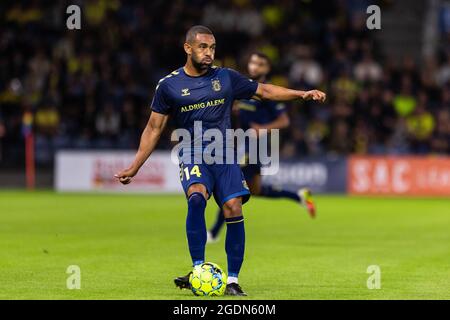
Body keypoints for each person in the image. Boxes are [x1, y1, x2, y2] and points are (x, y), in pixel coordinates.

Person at [114, 25, 326, 296]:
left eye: (212, 47)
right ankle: (199, 269)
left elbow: (265, 91)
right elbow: (154, 128)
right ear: (188, 48)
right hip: (192, 153)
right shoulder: (168, 85)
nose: (209, 53)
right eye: (203, 47)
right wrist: (135, 167)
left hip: (225, 155)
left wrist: (301, 94)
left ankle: (233, 281)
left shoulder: (226, 78)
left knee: (233, 208)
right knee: (197, 196)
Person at [207, 52, 316, 244]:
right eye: (252, 62)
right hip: (242, 144)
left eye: (259, 64)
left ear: (266, 69)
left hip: (257, 146)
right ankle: (299, 196)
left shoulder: (269, 93)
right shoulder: (244, 88)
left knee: (230, 185)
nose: (254, 66)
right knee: (255, 190)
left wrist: (262, 129)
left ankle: (213, 233)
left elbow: (284, 121)